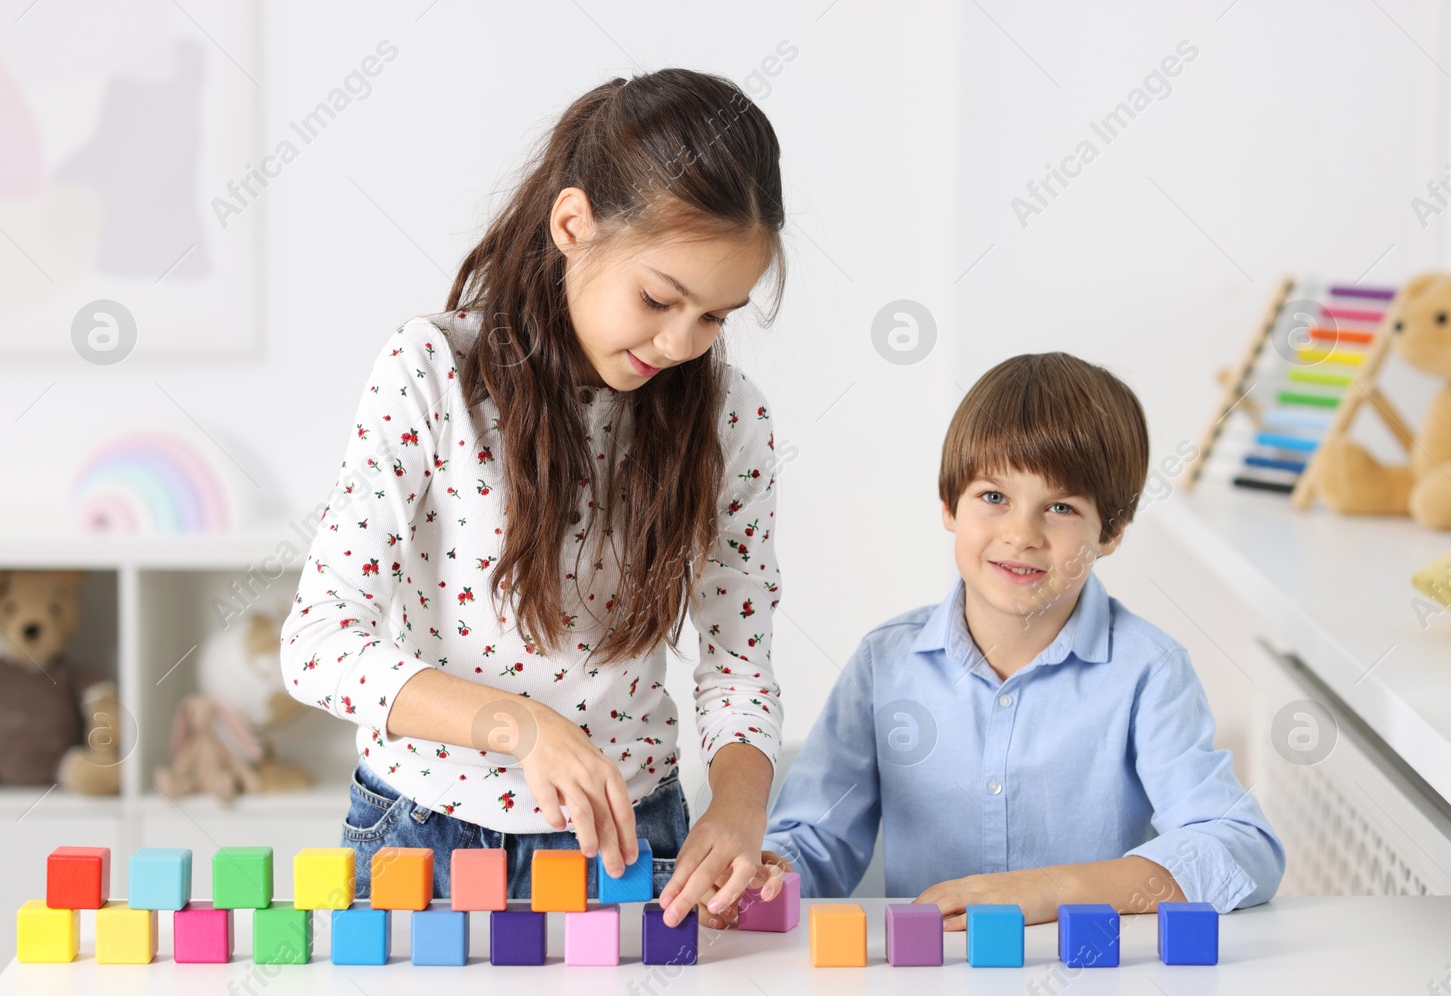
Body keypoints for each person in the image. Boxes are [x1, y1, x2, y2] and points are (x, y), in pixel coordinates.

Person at [282, 69, 790, 927]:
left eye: (715, 316)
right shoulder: (432, 372)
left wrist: (739, 805)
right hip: (421, 837)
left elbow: (737, 657)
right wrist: (519, 726)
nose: (679, 343)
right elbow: (319, 645)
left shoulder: (729, 418)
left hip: (629, 845)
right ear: (572, 223)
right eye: (659, 298)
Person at [735, 351, 1284, 931]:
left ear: (1113, 531)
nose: (1021, 535)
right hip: (928, 986)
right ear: (949, 505)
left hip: (1087, 987)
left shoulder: (1149, 670)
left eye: (1061, 507)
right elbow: (815, 840)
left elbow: (1241, 846)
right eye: (993, 497)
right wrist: (770, 873)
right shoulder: (884, 662)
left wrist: (1053, 889)